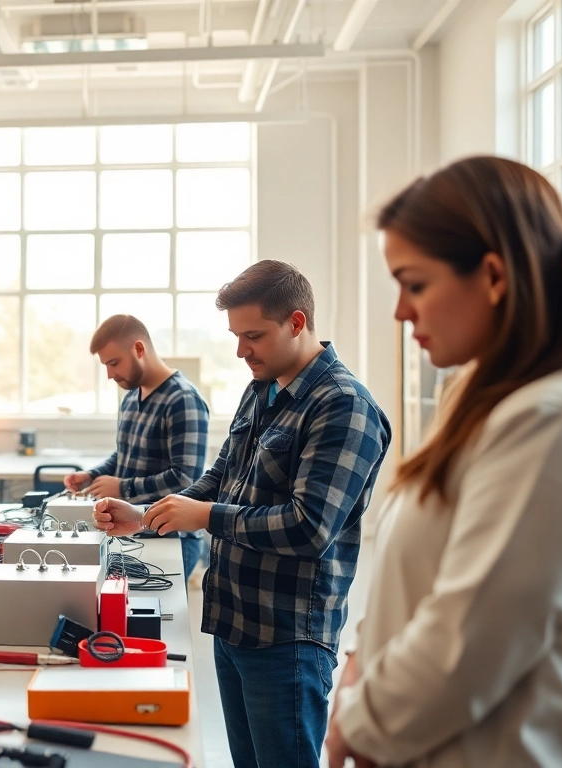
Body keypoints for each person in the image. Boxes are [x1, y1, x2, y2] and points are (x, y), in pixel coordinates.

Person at [325, 156, 562, 768]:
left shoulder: (560, 423)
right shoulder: (500, 404)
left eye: (415, 283)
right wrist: (356, 672)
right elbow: (424, 586)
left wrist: (361, 723)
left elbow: (470, 642)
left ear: (493, 275)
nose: (401, 311)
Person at [94, 260, 392, 768]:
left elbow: (308, 526)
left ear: (297, 323)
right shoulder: (262, 389)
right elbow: (220, 478)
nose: (240, 350)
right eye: (235, 335)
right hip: (234, 622)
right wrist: (145, 515)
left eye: (253, 335)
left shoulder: (344, 406)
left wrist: (206, 516)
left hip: (287, 636)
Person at [64, 314, 210, 577]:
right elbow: (124, 455)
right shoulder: (130, 397)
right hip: (132, 531)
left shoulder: (183, 399)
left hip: (172, 539)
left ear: (139, 349)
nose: (109, 374)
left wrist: (122, 487)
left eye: (114, 363)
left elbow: (187, 480)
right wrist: (92, 476)